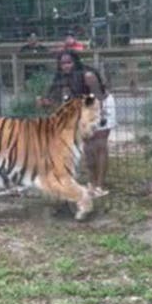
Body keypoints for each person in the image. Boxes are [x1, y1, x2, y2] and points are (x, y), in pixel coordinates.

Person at [36, 50, 114, 198]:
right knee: (88, 146)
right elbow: (59, 104)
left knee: (100, 144)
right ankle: (92, 182)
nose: (66, 66)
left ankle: (100, 185)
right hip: (83, 108)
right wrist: (45, 102)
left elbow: (99, 97)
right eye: (63, 63)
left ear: (76, 62)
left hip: (102, 105)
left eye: (69, 62)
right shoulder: (62, 79)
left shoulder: (88, 76)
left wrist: (99, 117)